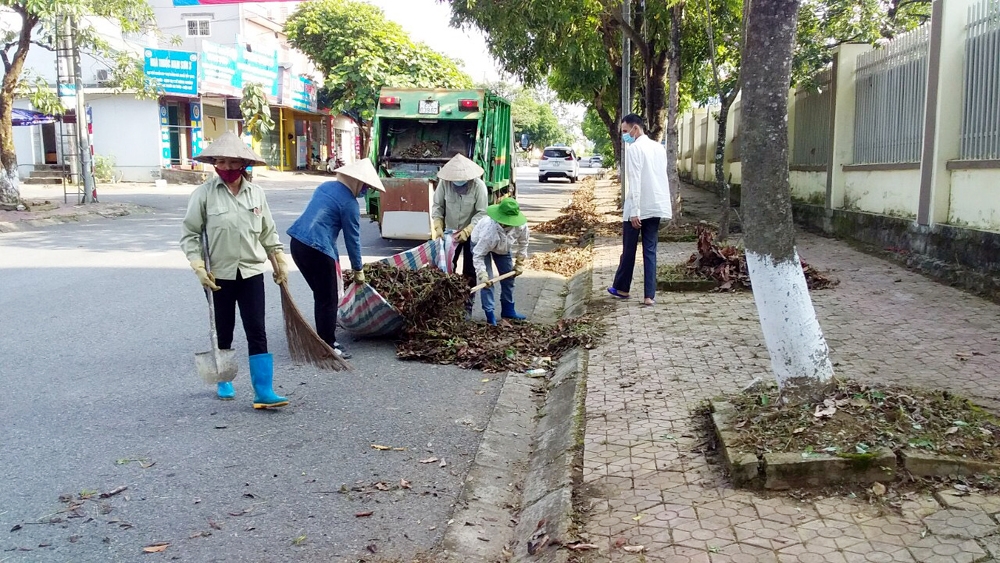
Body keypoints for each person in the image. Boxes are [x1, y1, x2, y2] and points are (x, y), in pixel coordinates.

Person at [180, 132, 289, 409]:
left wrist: (279, 260)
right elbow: (190, 234)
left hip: (251, 272)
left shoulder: (257, 194)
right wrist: (198, 266)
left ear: (244, 165)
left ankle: (263, 391)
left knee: (257, 329)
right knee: (223, 328)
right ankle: (224, 378)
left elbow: (268, 232)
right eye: (220, 162)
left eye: (232, 162)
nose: (226, 168)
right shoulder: (204, 194)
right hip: (219, 274)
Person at [286, 159, 384, 359]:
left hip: (297, 244)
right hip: (316, 250)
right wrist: (358, 270)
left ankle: (324, 336)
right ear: (357, 182)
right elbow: (352, 240)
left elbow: (322, 224)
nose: (365, 189)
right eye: (365, 186)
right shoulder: (349, 204)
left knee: (322, 296)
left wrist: (336, 262)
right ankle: (327, 345)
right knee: (328, 298)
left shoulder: (325, 187)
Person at [607, 114, 673, 306]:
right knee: (650, 251)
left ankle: (622, 288)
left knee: (629, 249)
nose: (624, 136)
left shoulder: (634, 149)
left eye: (626, 132)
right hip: (656, 205)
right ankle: (649, 296)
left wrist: (635, 210)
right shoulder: (658, 148)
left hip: (638, 208)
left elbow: (634, 181)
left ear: (636, 129)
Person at [431, 154, 489, 317]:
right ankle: (447, 305)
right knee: (447, 267)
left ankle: (467, 306)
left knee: (470, 270)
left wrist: (467, 231)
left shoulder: (479, 187)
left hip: (473, 232)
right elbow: (438, 205)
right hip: (449, 232)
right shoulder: (445, 183)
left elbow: (482, 213)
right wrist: (438, 225)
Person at [470, 198, 529, 325]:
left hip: (503, 249)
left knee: (509, 278)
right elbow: (478, 255)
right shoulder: (488, 231)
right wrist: (482, 274)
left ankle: (508, 310)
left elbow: (523, 243)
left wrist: (519, 262)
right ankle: (490, 314)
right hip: (481, 246)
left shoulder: (521, 226)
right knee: (488, 282)